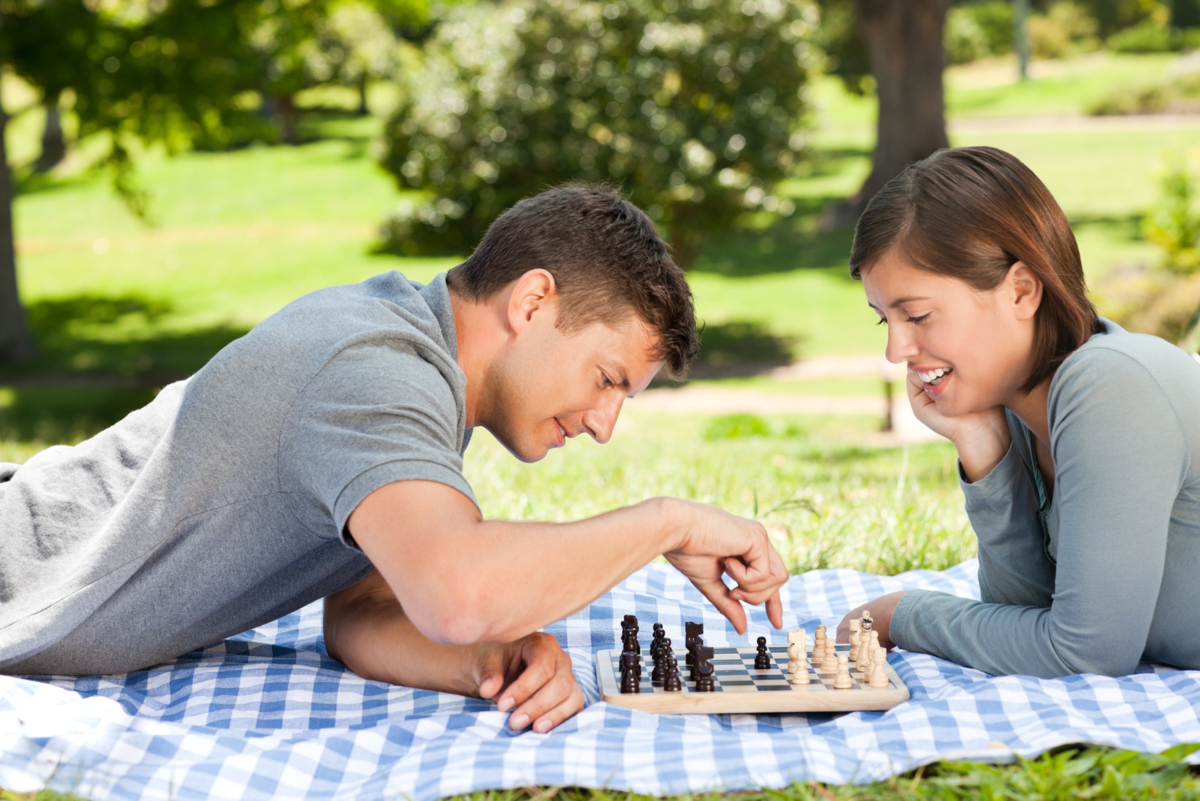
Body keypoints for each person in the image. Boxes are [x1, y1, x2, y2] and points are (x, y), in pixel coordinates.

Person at [0, 184, 789, 733]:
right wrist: (667, 521)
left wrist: (489, 659)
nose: (606, 423)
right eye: (608, 379)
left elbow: (362, 613)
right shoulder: (375, 370)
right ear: (531, 302)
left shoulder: (418, 369)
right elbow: (458, 591)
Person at [837, 146, 1200, 679]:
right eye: (883, 320)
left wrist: (902, 614)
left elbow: (1085, 655)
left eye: (917, 315)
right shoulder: (1021, 409)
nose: (896, 352)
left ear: (1022, 291)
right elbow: (1026, 620)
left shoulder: (1111, 383)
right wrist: (984, 450)